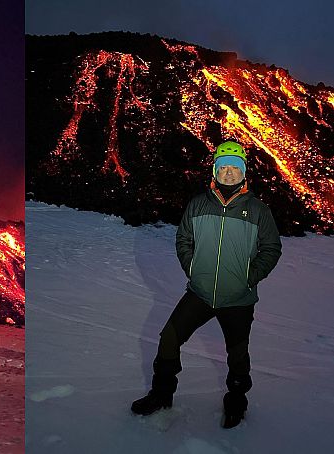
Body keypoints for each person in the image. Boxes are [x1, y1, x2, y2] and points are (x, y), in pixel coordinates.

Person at [131, 140, 282, 428]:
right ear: (214, 170)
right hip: (199, 293)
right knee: (169, 339)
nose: (228, 173)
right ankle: (162, 395)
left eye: (234, 168)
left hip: (239, 298)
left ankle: (236, 400)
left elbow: (271, 248)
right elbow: (183, 239)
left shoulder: (258, 210)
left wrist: (248, 278)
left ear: (244, 172)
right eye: (223, 167)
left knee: (237, 355)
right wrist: (193, 269)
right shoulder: (198, 204)